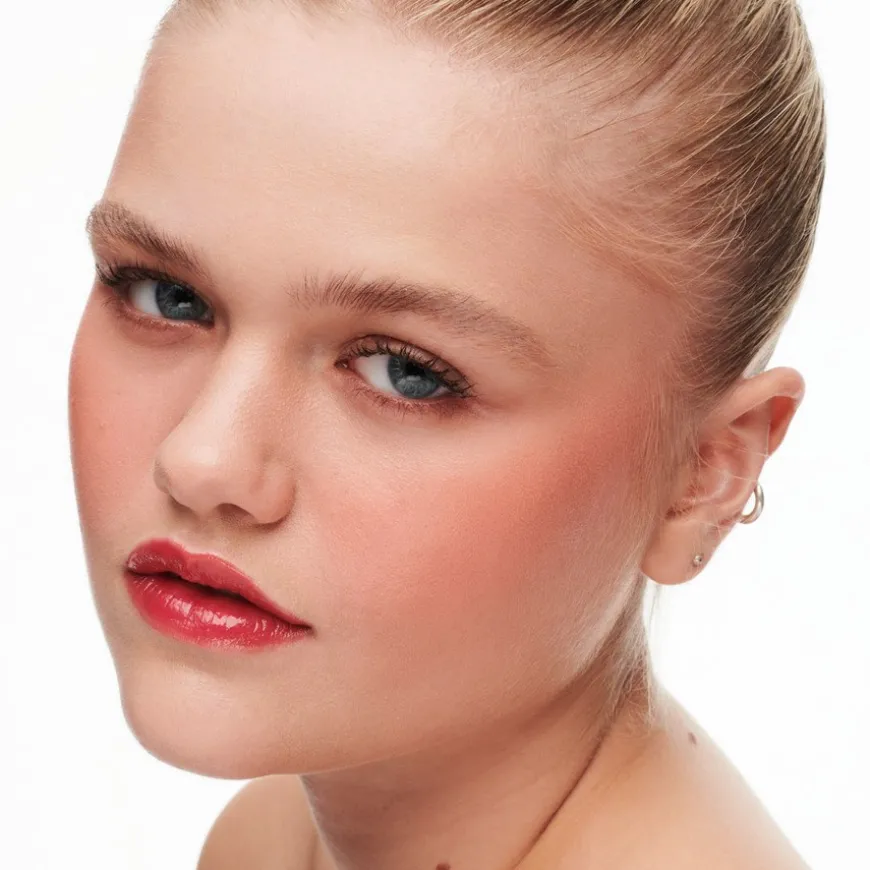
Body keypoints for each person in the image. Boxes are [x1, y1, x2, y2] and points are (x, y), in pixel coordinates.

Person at [66, 0, 824, 867]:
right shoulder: (269, 840)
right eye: (165, 296)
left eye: (406, 372)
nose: (201, 461)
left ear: (705, 475)